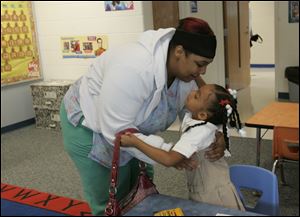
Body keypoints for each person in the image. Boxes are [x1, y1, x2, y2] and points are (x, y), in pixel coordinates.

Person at [60, 17, 226, 215]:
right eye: (200, 64)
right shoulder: (134, 68)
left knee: (141, 189)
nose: (203, 72)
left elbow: (196, 114)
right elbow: (117, 132)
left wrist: (212, 134)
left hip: (134, 131)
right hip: (91, 125)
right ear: (179, 51)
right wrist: (169, 153)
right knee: (114, 197)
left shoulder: (186, 74)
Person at [121, 84, 246, 210]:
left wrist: (135, 142)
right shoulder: (200, 119)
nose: (191, 92)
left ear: (202, 115)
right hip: (208, 189)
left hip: (214, 196)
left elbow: (169, 159)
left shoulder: (198, 131)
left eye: (196, 96)